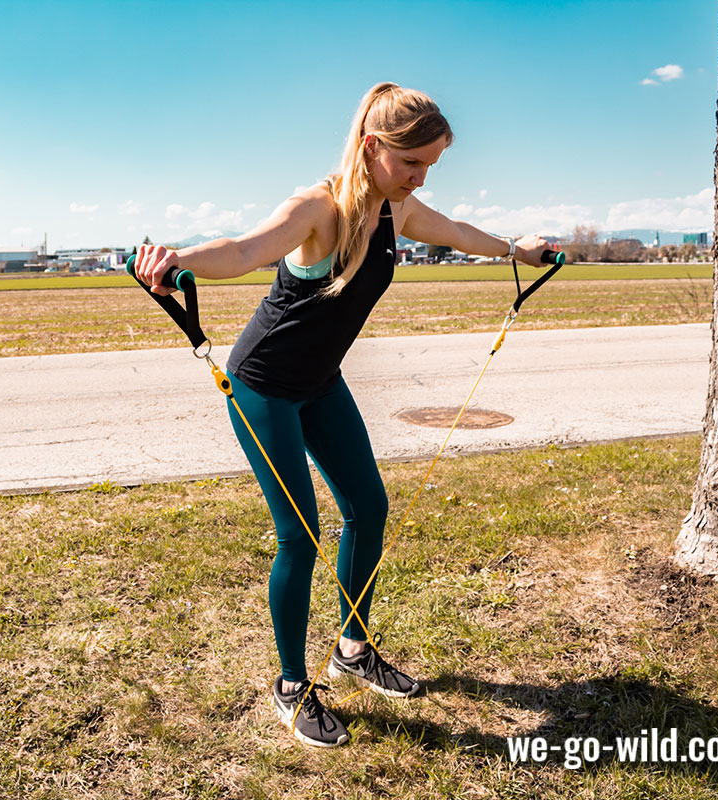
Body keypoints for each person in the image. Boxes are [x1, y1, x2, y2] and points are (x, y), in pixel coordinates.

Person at [134, 82, 553, 748]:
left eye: (430, 168)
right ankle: (292, 688)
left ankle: (352, 650)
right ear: (372, 148)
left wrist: (514, 249)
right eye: (412, 164)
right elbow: (243, 251)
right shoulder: (318, 209)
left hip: (321, 385)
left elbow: (456, 231)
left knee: (369, 507)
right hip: (263, 387)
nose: (420, 180)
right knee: (300, 537)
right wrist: (177, 259)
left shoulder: (399, 208)